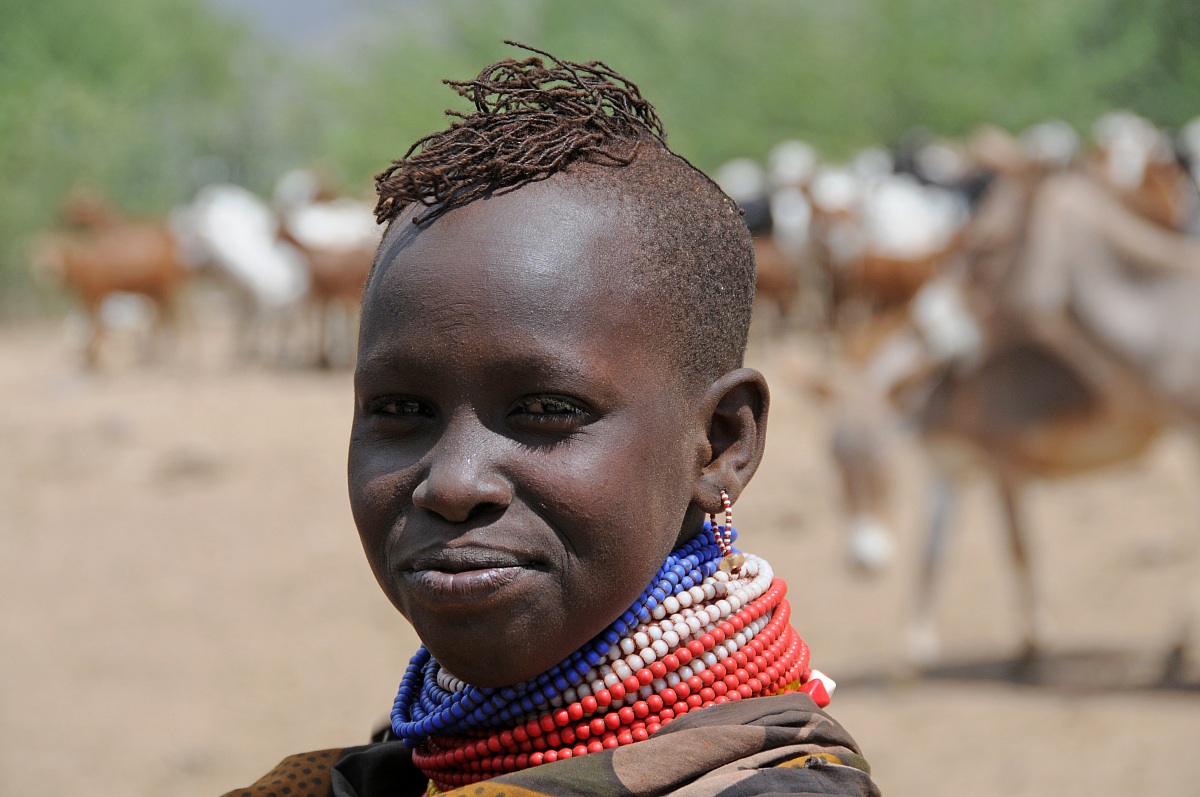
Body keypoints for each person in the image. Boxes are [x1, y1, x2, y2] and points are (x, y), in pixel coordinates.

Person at [222, 43, 879, 797]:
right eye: (401, 409)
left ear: (722, 443)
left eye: (545, 411)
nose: (453, 482)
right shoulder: (391, 769)